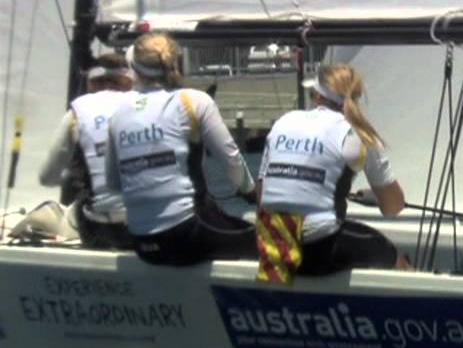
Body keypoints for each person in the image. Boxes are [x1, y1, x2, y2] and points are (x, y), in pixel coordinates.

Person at [105, 32, 257, 265]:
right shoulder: (193, 101)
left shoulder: (117, 114)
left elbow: (114, 183)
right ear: (176, 63)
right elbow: (232, 161)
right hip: (186, 234)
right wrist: (251, 193)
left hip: (142, 243)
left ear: (133, 68)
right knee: (273, 239)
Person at [255, 63, 406, 283]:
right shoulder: (359, 134)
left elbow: (262, 196)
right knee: (389, 251)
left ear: (316, 95)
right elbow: (393, 207)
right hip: (319, 253)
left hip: (275, 244)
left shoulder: (283, 122)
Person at [39, 52, 135, 248]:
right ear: (129, 82)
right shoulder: (153, 106)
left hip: (98, 224)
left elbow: (47, 177)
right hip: (149, 223)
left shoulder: (77, 113)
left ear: (91, 83)